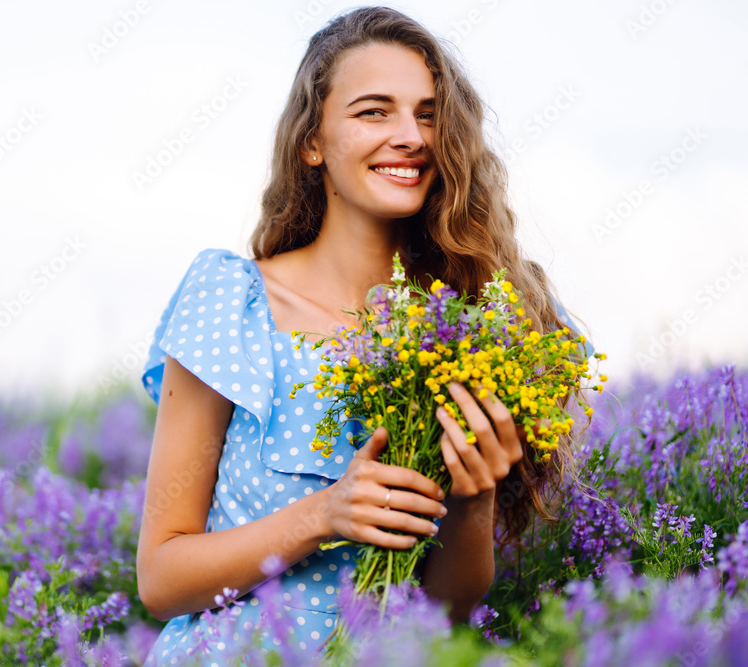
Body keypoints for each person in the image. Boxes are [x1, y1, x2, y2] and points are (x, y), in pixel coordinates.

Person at [136, 6, 594, 664]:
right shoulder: (234, 302)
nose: (410, 134)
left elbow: (448, 609)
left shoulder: (473, 326)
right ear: (312, 141)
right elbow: (162, 578)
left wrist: (474, 498)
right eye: (374, 111)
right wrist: (321, 516)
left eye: (428, 113)